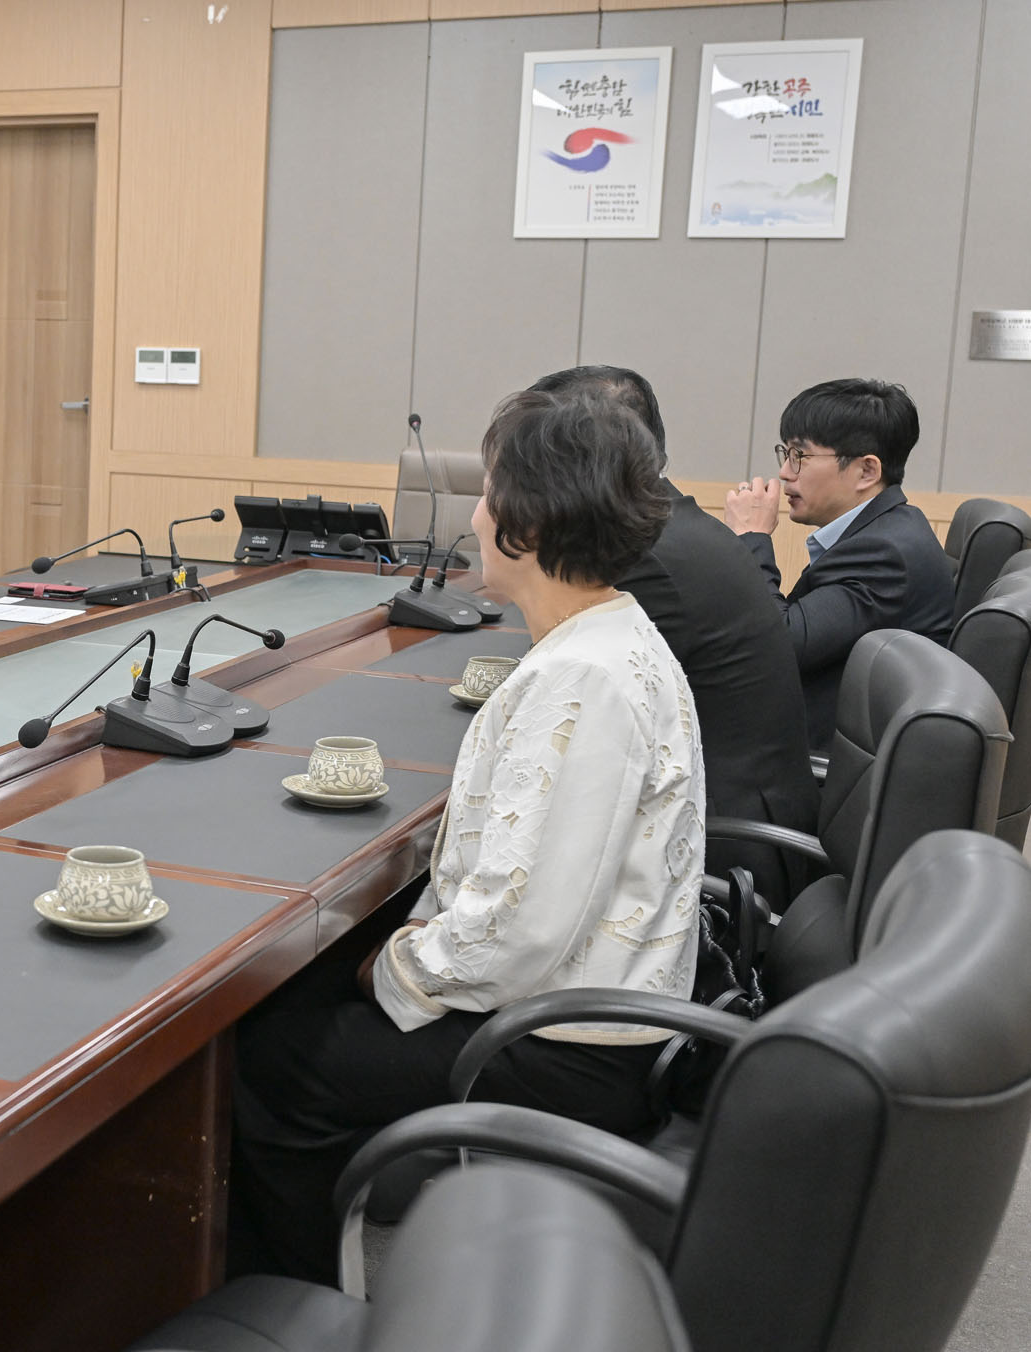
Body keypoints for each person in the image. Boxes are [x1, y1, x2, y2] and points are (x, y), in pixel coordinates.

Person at [228, 389, 703, 1285]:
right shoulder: (611, 633)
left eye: (489, 493)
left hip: (571, 1046)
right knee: (304, 993)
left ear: (531, 520)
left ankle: (302, 1311)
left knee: (272, 1065)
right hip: (581, 1004)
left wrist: (392, 967)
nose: (477, 515)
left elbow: (517, 932)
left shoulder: (582, 681)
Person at [531, 365, 816, 907]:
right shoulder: (674, 525)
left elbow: (572, 716)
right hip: (736, 819)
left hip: (725, 860)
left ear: (581, 458)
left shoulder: (647, 558)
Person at [721, 379, 954, 750]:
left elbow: (778, 645)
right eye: (785, 453)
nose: (785, 472)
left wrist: (752, 538)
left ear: (866, 471)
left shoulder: (884, 554)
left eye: (800, 455)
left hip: (820, 762)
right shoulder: (887, 529)